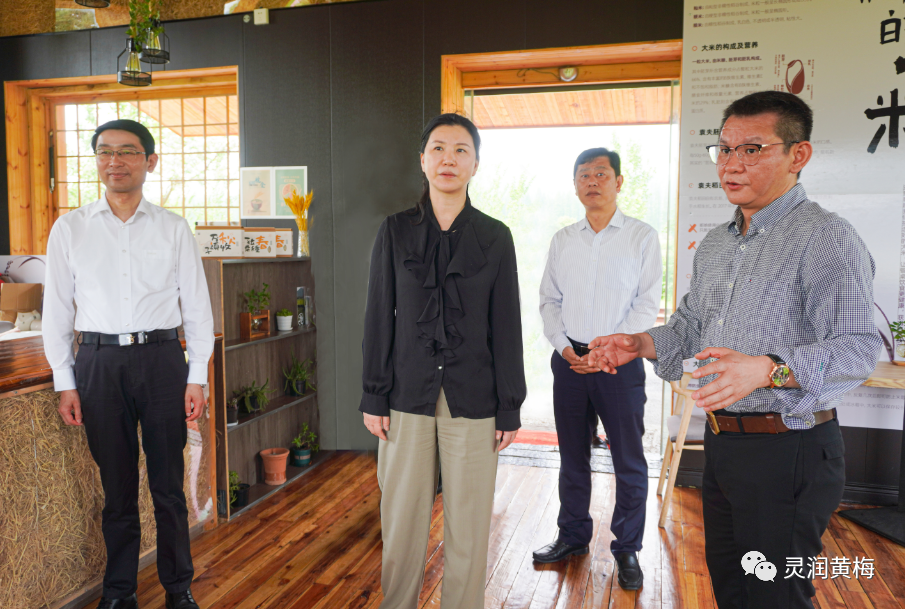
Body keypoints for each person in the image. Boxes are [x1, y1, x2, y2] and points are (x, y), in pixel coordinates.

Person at [587, 91, 882, 608]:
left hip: (790, 448)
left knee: (775, 597)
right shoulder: (718, 244)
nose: (731, 164)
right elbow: (690, 327)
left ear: (798, 155)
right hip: (724, 443)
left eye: (752, 149)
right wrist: (640, 343)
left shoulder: (826, 237)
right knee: (731, 587)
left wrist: (768, 370)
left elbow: (857, 350)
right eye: (724, 149)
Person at [43, 119, 214, 609]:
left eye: (127, 151)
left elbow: (197, 309)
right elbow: (57, 312)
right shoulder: (70, 229)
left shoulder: (173, 228)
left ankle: (178, 590)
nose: (114, 161)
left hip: (162, 361)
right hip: (98, 364)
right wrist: (65, 381)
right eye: (104, 151)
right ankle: (119, 594)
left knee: (168, 489)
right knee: (116, 491)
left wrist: (197, 376)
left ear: (149, 161)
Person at [360, 113, 526, 609]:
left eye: (460, 150)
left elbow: (507, 325)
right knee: (401, 522)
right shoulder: (394, 232)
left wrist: (510, 405)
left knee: (469, 529)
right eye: (438, 148)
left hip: (474, 397)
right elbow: (378, 318)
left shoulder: (496, 236)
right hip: (405, 395)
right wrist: (374, 395)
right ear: (422, 160)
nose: (448, 159)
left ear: (476, 164)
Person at [533, 148, 662, 591]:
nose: (592, 181)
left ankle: (627, 548)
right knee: (572, 455)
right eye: (584, 175)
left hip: (619, 365)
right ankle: (572, 536)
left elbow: (646, 303)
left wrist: (611, 350)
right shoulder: (563, 240)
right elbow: (549, 301)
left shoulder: (642, 236)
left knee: (629, 459)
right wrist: (565, 348)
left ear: (619, 182)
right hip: (570, 362)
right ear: (574, 185)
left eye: (601, 174)